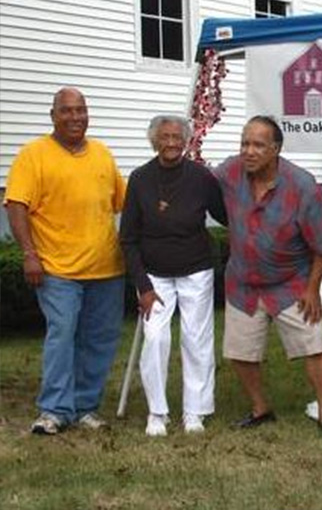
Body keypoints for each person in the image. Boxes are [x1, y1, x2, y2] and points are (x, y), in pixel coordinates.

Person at [4, 87, 126, 435]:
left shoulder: (102, 154)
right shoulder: (34, 155)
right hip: (57, 269)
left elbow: (123, 200)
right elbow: (16, 205)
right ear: (53, 115)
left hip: (107, 268)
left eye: (81, 110)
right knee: (62, 334)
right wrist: (29, 254)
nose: (75, 117)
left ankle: (85, 406)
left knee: (99, 340)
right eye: (67, 111)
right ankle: (54, 409)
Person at [214, 115, 322, 434]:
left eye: (258, 144)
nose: (249, 151)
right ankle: (261, 409)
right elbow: (198, 186)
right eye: (244, 143)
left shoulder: (303, 187)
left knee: (314, 346)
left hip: (291, 283)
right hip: (243, 283)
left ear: (276, 149)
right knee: (239, 353)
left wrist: (312, 289)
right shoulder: (229, 173)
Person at [119, 115, 227, 436]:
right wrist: (143, 285)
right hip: (155, 276)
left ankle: (195, 410)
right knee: (155, 339)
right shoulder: (139, 179)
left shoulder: (201, 177)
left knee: (196, 339)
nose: (171, 143)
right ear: (154, 141)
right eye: (164, 137)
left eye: (177, 137)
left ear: (186, 141)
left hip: (196, 268)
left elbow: (224, 214)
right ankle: (158, 411)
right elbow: (127, 238)